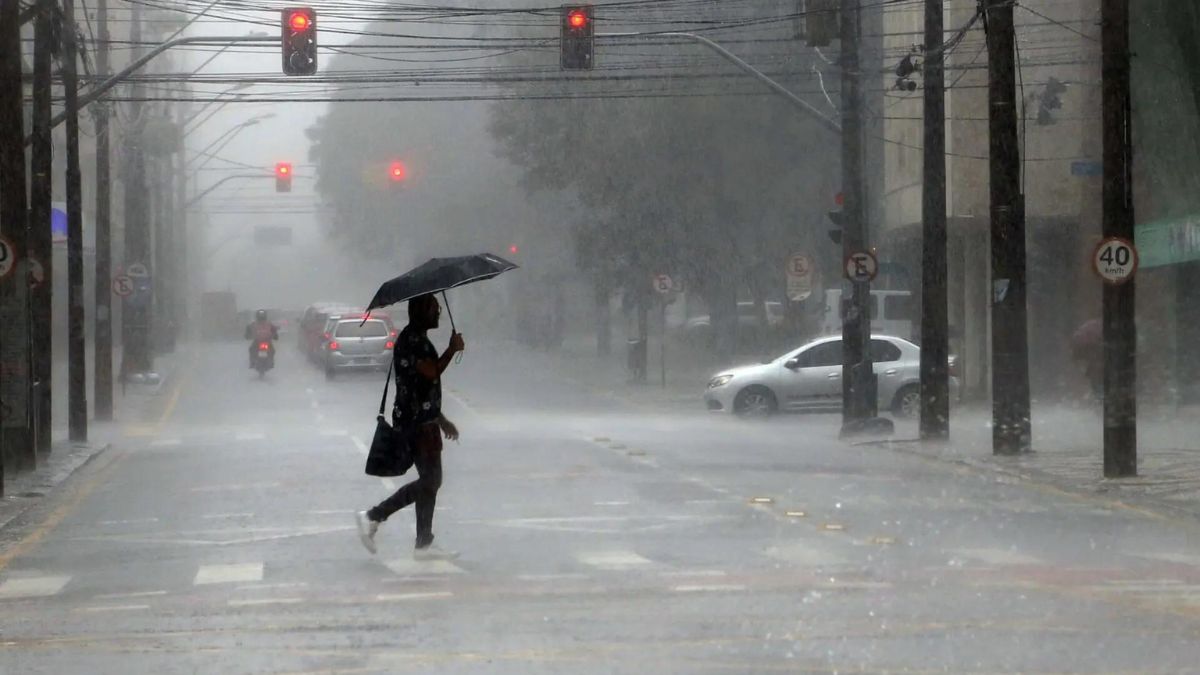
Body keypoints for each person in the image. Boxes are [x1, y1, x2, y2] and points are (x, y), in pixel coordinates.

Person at [356, 294, 465, 560]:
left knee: (431, 481)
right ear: (420, 312)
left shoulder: (417, 338)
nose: (438, 312)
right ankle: (373, 516)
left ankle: (423, 543)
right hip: (415, 424)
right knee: (431, 480)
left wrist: (441, 419)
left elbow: (422, 387)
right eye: (433, 308)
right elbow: (431, 372)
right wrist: (452, 349)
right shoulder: (412, 341)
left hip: (424, 420)